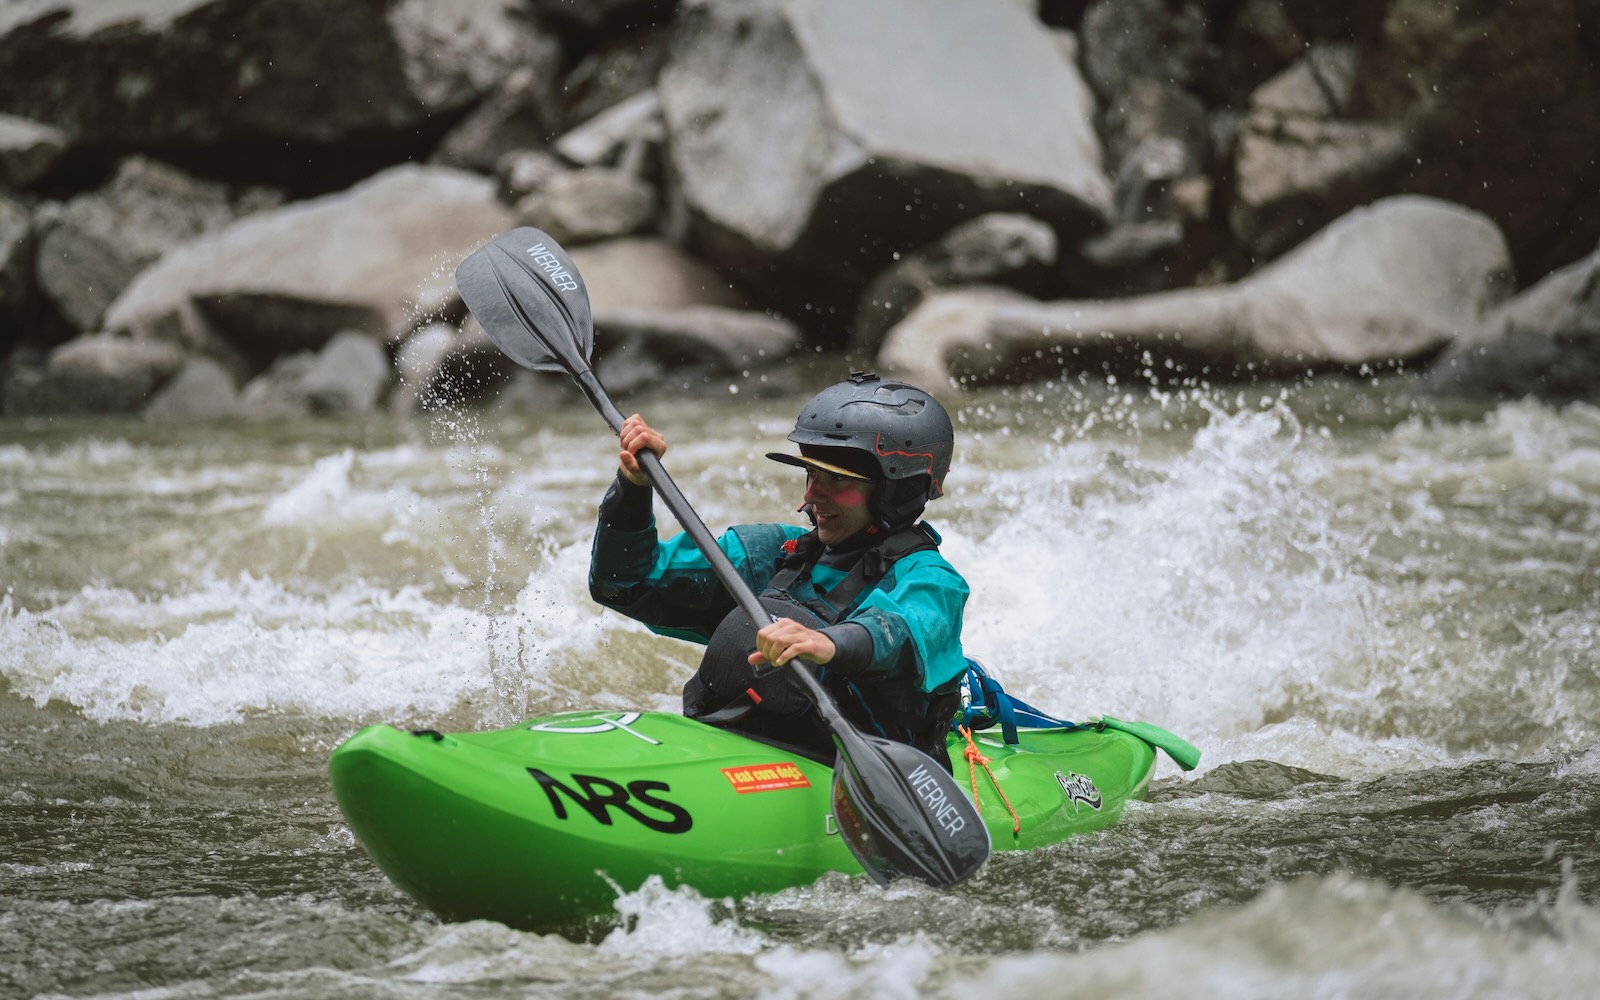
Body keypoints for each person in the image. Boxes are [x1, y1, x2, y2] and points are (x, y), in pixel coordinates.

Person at [588, 372, 970, 769]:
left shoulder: (930, 580)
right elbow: (624, 584)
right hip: (740, 750)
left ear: (899, 489)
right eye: (812, 474)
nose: (810, 495)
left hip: (866, 767)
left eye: (837, 479)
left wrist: (830, 643)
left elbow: (900, 633)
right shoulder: (771, 553)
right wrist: (632, 490)